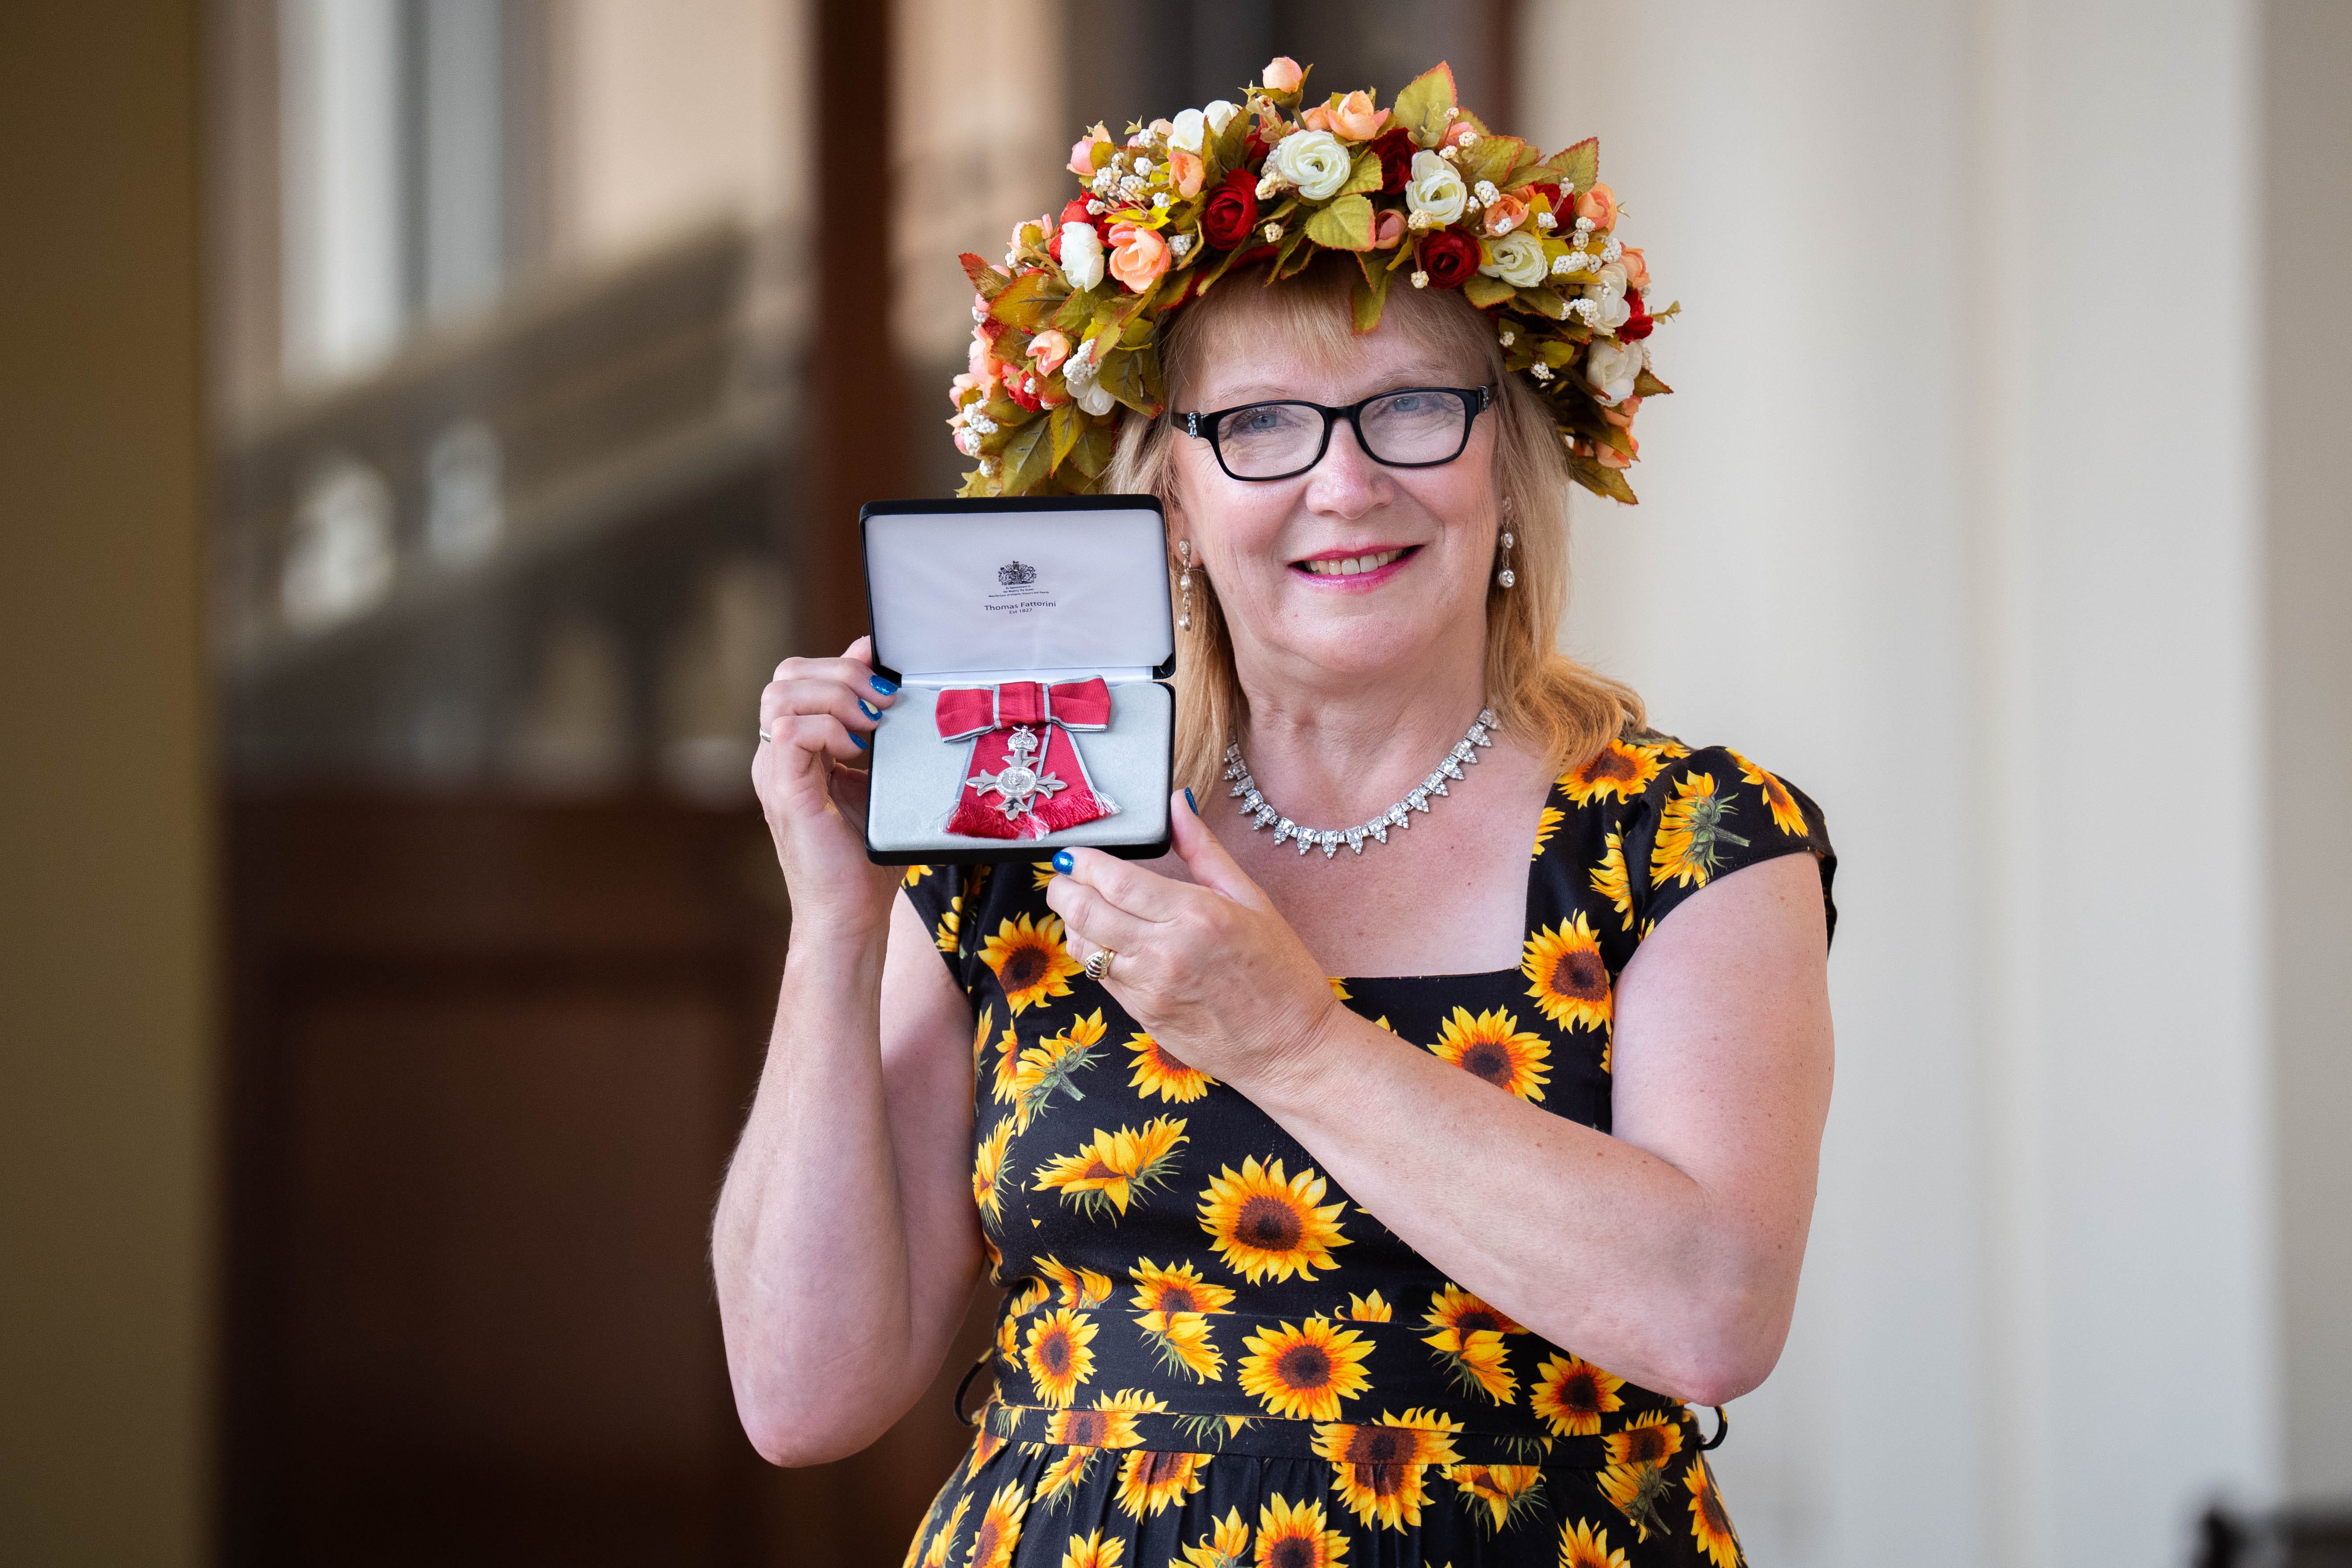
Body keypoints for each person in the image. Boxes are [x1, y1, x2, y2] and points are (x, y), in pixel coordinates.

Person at [715, 59, 1834, 1568]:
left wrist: (1291, 1040)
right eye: (1260, 428)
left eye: (1413, 412)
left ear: (1505, 459)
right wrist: (836, 933)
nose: (1345, 481)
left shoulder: (1685, 841)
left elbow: (1712, 1315)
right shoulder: (1024, 838)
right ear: (1172, 500)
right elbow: (804, 1397)